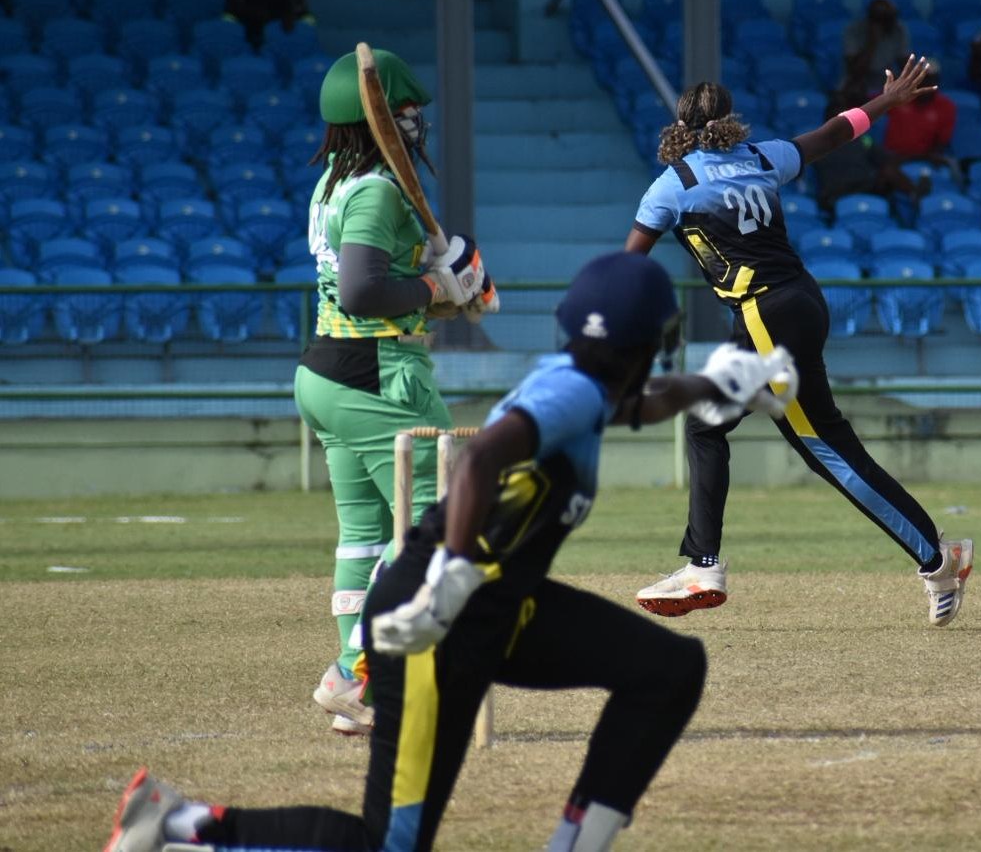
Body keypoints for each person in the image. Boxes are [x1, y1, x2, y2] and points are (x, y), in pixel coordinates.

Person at [103, 251, 797, 852]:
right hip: (436, 614)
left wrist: (723, 384)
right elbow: (480, 461)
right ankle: (177, 825)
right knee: (388, 846)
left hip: (492, 609)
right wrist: (456, 573)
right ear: (650, 341)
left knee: (669, 668)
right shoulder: (574, 391)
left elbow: (641, 399)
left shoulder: (586, 382)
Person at [625, 56, 974, 628]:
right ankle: (702, 563)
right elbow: (834, 133)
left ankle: (939, 559)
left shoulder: (675, 184)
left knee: (828, 451)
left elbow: (626, 266)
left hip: (765, 313)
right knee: (708, 423)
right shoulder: (762, 157)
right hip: (802, 301)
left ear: (680, 126)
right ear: (729, 121)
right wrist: (885, 103)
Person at [298, 48, 496, 737]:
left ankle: (366, 701)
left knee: (364, 535)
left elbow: (372, 286)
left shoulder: (332, 182)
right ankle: (354, 672)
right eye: (410, 110)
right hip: (380, 375)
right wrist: (438, 288)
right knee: (441, 522)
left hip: (326, 372)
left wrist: (449, 289)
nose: (418, 122)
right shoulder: (379, 189)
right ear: (384, 116)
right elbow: (362, 290)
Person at [812, 87, 926, 212]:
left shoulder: (861, 139)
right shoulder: (818, 143)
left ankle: (916, 194)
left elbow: (883, 157)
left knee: (888, 171)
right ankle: (914, 193)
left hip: (864, 186)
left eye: (843, 119)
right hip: (836, 193)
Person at [881, 59, 958, 168]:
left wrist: (916, 157)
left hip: (926, 158)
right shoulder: (896, 97)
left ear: (937, 81)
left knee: (952, 169)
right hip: (891, 156)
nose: (925, 84)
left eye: (930, 80)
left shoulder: (946, 107)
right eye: (921, 79)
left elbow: (941, 143)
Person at [841, 0, 911, 95]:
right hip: (858, 82)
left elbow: (904, 64)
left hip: (885, 78)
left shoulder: (898, 30)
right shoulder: (854, 30)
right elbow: (854, 72)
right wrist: (872, 41)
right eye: (883, 19)